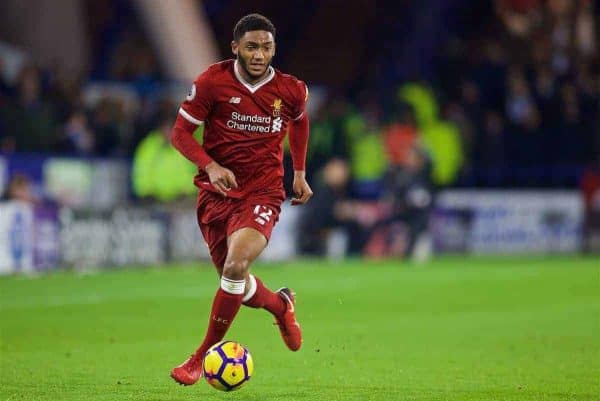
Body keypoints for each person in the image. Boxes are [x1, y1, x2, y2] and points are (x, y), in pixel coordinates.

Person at [169, 14, 312, 385]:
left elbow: (299, 121)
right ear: (236, 47)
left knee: (235, 268)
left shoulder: (290, 89)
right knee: (235, 282)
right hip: (215, 196)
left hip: (262, 191)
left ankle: (200, 357)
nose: (260, 54)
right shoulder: (211, 82)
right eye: (252, 46)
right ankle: (281, 306)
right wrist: (210, 165)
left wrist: (297, 172)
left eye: (266, 46)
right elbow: (181, 134)